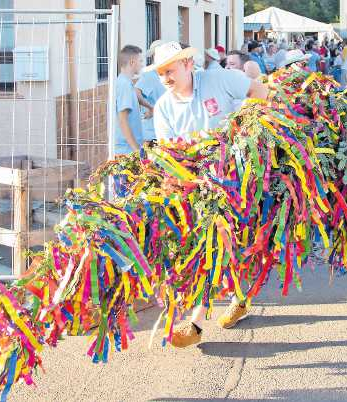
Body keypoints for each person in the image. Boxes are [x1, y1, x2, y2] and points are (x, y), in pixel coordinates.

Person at [149, 42, 268, 346]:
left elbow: (259, 92)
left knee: (213, 244)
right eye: (161, 72)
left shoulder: (219, 79)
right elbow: (167, 154)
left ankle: (196, 323)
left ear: (188, 64)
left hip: (232, 181)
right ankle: (239, 297)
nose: (165, 77)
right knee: (214, 247)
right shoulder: (163, 107)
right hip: (193, 187)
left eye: (170, 70)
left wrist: (242, 128)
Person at [114, 45, 146, 154]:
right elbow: (123, 120)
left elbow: (137, 98)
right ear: (132, 62)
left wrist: (150, 107)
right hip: (126, 150)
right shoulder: (124, 85)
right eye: (140, 61)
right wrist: (137, 150)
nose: (142, 64)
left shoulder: (126, 82)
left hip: (128, 149)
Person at [136, 40, 167, 141]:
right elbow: (135, 93)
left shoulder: (165, 74)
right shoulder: (150, 75)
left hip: (165, 132)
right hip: (152, 134)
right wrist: (151, 108)